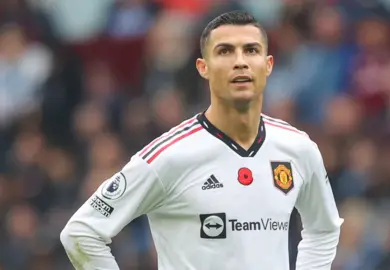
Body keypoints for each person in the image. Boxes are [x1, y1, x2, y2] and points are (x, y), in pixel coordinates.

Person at [60, 10, 344, 270]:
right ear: (203, 67)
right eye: (225, 52)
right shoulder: (170, 156)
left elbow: (324, 230)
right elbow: (82, 232)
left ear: (268, 65)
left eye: (251, 50)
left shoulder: (298, 148)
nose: (240, 62)